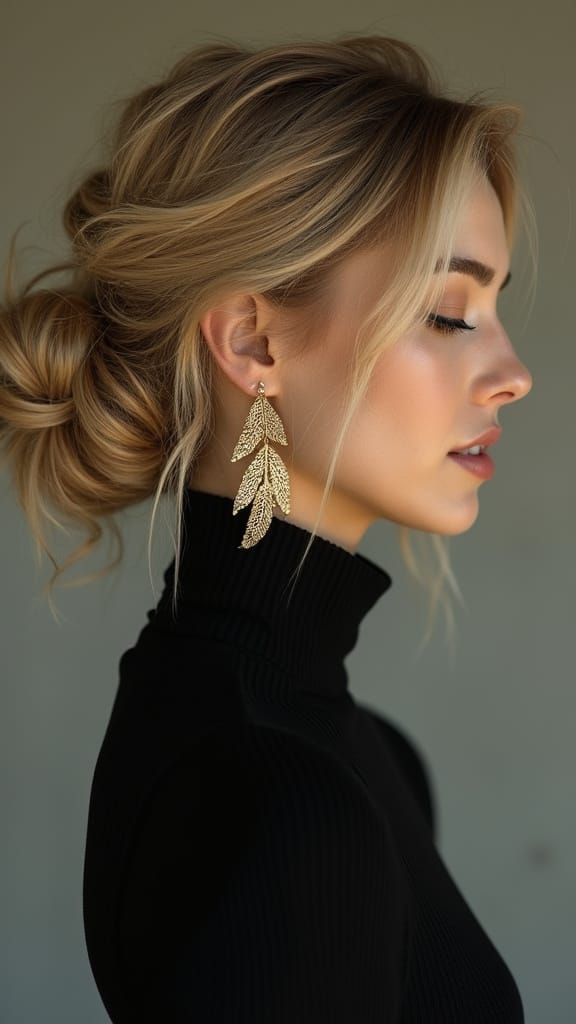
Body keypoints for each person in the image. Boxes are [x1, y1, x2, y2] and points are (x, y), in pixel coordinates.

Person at [0, 33, 534, 1022]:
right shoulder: (281, 804)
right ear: (254, 341)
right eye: (450, 312)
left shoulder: (354, 756)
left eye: (496, 305)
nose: (514, 370)